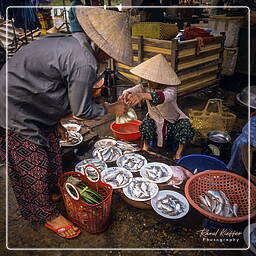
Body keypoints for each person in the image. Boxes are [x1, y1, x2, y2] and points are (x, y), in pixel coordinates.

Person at [0, 7, 132, 239]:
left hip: (31, 95)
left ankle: (50, 190)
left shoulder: (73, 41)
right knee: (33, 161)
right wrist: (112, 108)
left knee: (52, 146)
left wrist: (55, 121)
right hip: (15, 104)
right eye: (110, 53)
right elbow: (82, 110)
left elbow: (51, 83)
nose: (110, 58)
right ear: (100, 45)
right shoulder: (84, 61)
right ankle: (43, 213)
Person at [119, 54, 194, 160]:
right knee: (146, 123)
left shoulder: (171, 89)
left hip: (172, 121)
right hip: (155, 120)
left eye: (153, 80)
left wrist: (142, 96)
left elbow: (163, 97)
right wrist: (126, 94)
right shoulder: (145, 86)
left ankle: (178, 153)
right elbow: (133, 89)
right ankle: (146, 147)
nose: (150, 82)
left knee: (185, 126)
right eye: (149, 79)